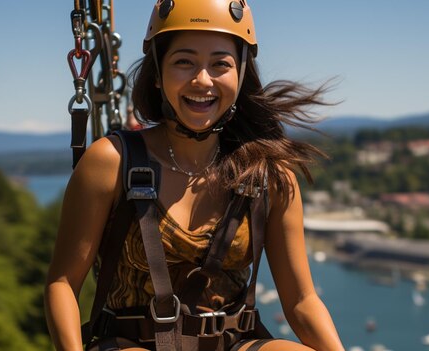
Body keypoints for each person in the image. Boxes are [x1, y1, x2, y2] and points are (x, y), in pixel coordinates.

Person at [44, 0, 345, 350]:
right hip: (131, 342)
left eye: (221, 64)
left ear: (241, 73)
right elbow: (63, 283)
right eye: (184, 62)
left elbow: (301, 301)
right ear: (157, 74)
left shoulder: (268, 176)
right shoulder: (111, 162)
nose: (202, 80)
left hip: (233, 341)